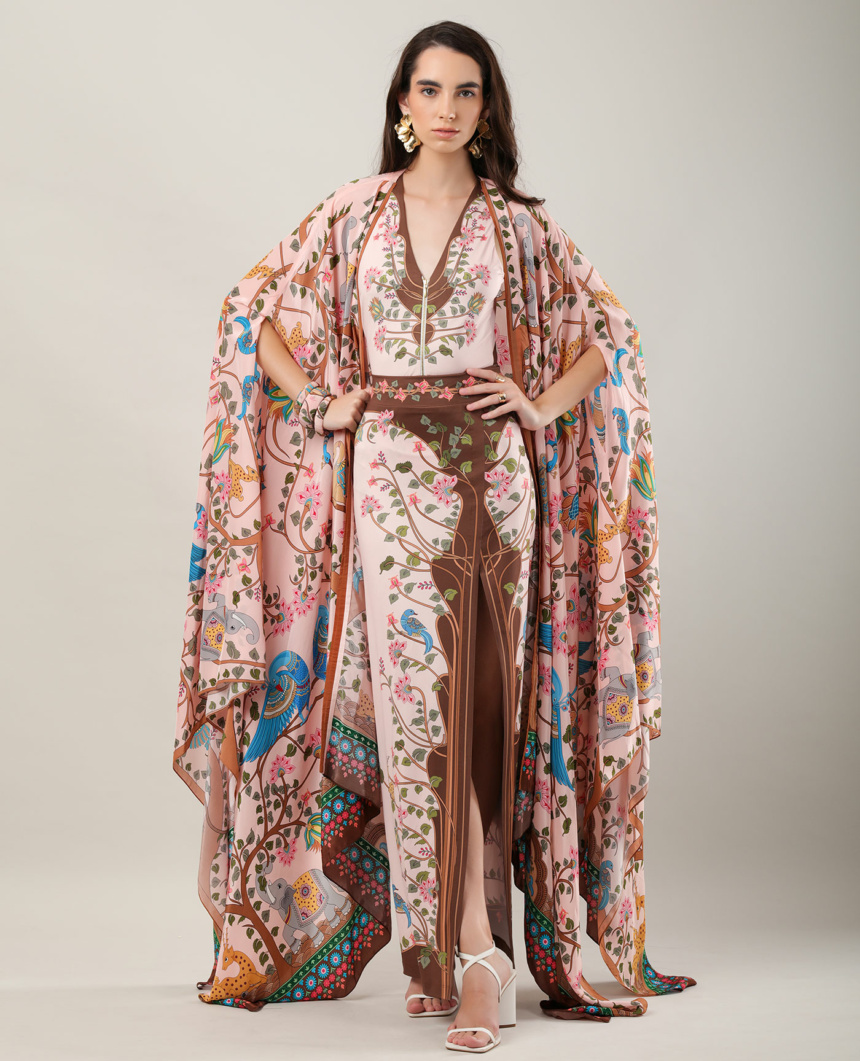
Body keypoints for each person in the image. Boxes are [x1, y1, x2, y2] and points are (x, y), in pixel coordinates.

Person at [174, 19, 695, 1053]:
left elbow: (610, 333)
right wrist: (321, 399)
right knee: (421, 713)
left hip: (495, 482)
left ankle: (464, 952)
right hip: (388, 476)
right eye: (429, 89)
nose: (447, 108)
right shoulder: (353, 213)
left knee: (486, 711)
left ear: (486, 108)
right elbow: (251, 312)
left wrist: (539, 405)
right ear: (401, 104)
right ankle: (471, 953)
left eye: (466, 92)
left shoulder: (519, 226)